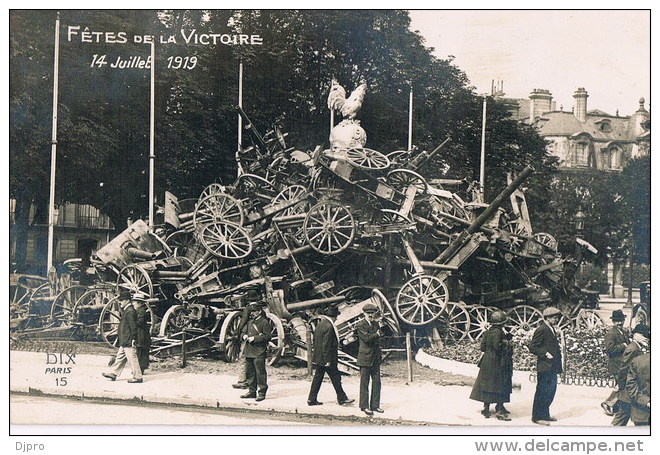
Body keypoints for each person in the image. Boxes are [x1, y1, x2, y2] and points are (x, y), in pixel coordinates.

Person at [469, 310, 513, 421]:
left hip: (487, 361)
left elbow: (483, 347)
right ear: (502, 323)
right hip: (498, 362)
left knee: (487, 384)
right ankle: (499, 410)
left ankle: (486, 408)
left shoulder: (488, 332)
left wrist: (505, 338)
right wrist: (508, 342)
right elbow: (498, 347)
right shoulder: (499, 332)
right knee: (500, 384)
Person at [307, 305, 355, 406]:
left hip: (320, 357)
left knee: (320, 378)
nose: (336, 319)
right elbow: (326, 345)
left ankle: (311, 399)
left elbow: (315, 341)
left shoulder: (321, 324)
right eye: (336, 317)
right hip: (328, 358)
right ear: (333, 317)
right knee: (335, 377)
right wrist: (328, 360)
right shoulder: (329, 326)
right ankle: (342, 399)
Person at [528, 306, 563, 425]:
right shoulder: (542, 329)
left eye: (557, 317)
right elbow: (532, 346)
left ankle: (545, 414)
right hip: (545, 366)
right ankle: (537, 417)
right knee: (542, 392)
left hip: (552, 367)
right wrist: (545, 354)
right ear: (547, 318)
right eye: (554, 317)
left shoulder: (551, 328)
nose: (556, 319)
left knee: (550, 391)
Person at [102, 290, 144, 383]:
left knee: (132, 358)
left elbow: (133, 327)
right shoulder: (128, 310)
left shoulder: (130, 311)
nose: (120, 302)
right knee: (120, 357)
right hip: (125, 339)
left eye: (122, 300)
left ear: (127, 300)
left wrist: (133, 338)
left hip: (128, 339)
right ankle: (114, 373)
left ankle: (138, 377)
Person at [612, 323, 649, 426]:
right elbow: (624, 369)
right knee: (620, 420)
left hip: (630, 391)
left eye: (647, 336)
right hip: (628, 392)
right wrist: (622, 388)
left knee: (621, 418)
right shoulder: (633, 349)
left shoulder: (636, 346)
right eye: (643, 335)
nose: (646, 338)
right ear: (635, 335)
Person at [239, 301, 273, 402]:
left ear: (259, 311)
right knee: (250, 372)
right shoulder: (250, 322)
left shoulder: (264, 322)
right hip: (249, 350)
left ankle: (262, 392)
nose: (252, 313)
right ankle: (251, 391)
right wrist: (243, 336)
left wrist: (255, 338)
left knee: (260, 373)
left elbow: (268, 336)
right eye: (251, 312)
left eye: (254, 311)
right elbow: (242, 332)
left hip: (259, 351)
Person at [356, 303, 383, 416]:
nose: (370, 315)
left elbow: (378, 336)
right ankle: (364, 406)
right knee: (364, 383)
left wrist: (375, 335)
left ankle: (375, 405)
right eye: (368, 313)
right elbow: (366, 339)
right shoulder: (360, 325)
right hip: (365, 357)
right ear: (364, 313)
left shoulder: (376, 324)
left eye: (372, 313)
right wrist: (376, 335)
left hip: (375, 357)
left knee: (377, 382)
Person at [601, 310, 629, 416]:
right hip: (616, 365)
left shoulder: (623, 332)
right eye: (617, 321)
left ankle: (613, 406)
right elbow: (610, 349)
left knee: (621, 385)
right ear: (613, 322)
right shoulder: (611, 333)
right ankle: (608, 403)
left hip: (622, 365)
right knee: (622, 385)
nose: (620, 323)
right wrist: (623, 346)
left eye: (621, 320)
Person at [232, 290, 260, 390]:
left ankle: (242, 381)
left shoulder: (248, 308)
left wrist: (237, 333)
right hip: (257, 338)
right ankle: (253, 381)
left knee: (243, 358)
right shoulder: (260, 308)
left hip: (247, 336)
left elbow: (243, 321)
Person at [625, 352, 650, 426]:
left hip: (641, 412)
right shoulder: (638, 361)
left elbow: (631, 386)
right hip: (643, 413)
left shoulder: (638, 360)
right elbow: (631, 385)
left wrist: (646, 401)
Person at [134, 294, 151, 374]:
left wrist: (132, 322)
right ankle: (141, 368)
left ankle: (141, 368)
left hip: (142, 333)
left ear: (139, 303)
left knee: (141, 350)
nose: (133, 303)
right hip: (142, 332)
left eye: (135, 302)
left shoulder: (141, 311)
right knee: (141, 350)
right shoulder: (141, 310)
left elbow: (140, 322)